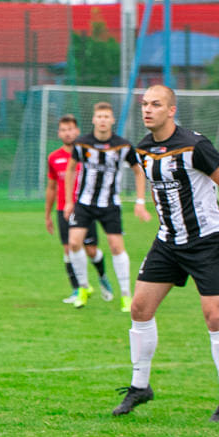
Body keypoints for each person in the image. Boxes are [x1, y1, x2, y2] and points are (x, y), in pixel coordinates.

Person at [113, 84, 219, 422]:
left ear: (172, 110)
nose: (147, 110)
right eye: (144, 104)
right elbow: (157, 191)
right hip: (168, 241)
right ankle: (140, 386)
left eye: (155, 104)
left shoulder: (195, 146)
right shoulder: (142, 150)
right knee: (139, 307)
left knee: (215, 316)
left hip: (206, 241)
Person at [63, 102, 151, 311]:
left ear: (112, 120)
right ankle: (83, 288)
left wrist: (140, 201)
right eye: (99, 116)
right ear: (94, 119)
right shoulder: (82, 144)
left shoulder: (123, 146)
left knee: (116, 247)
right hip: (84, 203)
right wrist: (68, 201)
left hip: (110, 204)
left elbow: (139, 171)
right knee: (74, 243)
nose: (102, 120)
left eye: (106, 116)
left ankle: (126, 296)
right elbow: (70, 170)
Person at [45, 114, 113, 304]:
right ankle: (78, 289)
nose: (67, 133)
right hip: (63, 209)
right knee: (68, 249)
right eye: (63, 130)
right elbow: (51, 187)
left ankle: (102, 278)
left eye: (70, 129)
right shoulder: (54, 157)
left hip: (86, 208)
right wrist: (47, 215)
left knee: (91, 250)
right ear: (59, 133)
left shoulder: (87, 154)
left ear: (77, 131)